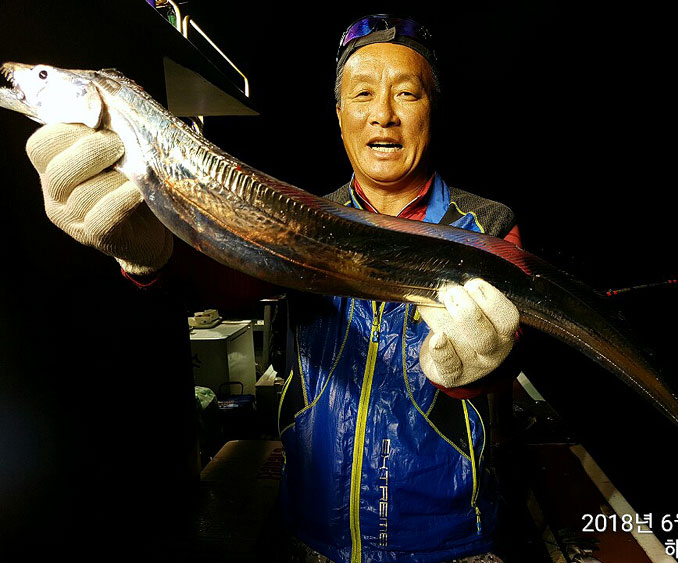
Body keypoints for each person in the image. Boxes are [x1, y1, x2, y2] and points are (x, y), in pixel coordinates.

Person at [23, 14, 523, 562]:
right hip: (311, 537)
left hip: (453, 542)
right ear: (339, 114)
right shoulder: (297, 221)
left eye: (407, 93)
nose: (383, 113)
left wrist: (484, 368)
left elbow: (516, 358)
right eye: (362, 94)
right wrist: (151, 254)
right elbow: (225, 285)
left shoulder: (486, 228)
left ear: (432, 108)